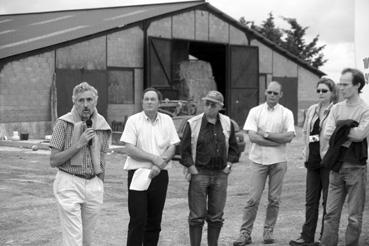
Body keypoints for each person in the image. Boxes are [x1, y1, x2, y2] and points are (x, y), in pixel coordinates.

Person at [233, 81, 296, 245]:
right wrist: (277, 141)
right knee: (252, 199)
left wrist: (266, 135)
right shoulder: (255, 111)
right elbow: (252, 137)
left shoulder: (286, 113)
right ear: (265, 93)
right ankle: (245, 234)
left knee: (274, 199)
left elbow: (289, 137)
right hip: (258, 161)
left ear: (281, 94)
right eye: (270, 92)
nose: (272, 95)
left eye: (276, 93)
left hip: (279, 162)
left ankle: (268, 231)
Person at [50, 82, 112, 246]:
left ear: (96, 101)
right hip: (69, 182)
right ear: (74, 102)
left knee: (87, 240)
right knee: (73, 240)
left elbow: (103, 157)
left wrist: (100, 183)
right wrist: (79, 144)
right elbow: (54, 160)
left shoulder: (102, 125)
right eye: (81, 100)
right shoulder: (63, 123)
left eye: (89, 100)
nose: (86, 105)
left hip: (93, 184)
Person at [120, 87, 180, 246]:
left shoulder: (167, 120)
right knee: (138, 219)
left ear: (159, 103)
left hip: (160, 176)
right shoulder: (133, 120)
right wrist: (154, 159)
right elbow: (129, 148)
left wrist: (160, 164)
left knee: (154, 220)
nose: (149, 102)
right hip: (138, 174)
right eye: (146, 99)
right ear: (142, 102)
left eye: (153, 99)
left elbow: (173, 145)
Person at [180, 90, 240, 246]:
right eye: (206, 103)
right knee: (196, 216)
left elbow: (234, 147)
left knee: (216, 216)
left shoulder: (227, 123)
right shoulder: (192, 123)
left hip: (220, 174)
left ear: (220, 106)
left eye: (213, 104)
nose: (209, 107)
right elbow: (184, 150)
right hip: (199, 173)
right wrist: (192, 169)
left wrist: (228, 165)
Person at [320, 68, 369, 246]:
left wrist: (340, 131)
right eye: (340, 83)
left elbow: (360, 135)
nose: (341, 87)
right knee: (330, 214)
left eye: (345, 84)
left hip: (356, 168)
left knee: (354, 217)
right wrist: (348, 128)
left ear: (357, 85)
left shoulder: (366, 109)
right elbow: (327, 134)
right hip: (336, 168)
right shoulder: (336, 108)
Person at [289, 78, 337, 246]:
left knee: (328, 202)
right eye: (319, 90)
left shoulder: (335, 111)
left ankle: (325, 238)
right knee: (310, 202)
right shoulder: (311, 110)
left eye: (324, 91)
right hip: (312, 162)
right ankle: (306, 237)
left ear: (332, 93)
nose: (321, 94)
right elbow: (305, 133)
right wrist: (305, 152)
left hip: (328, 163)